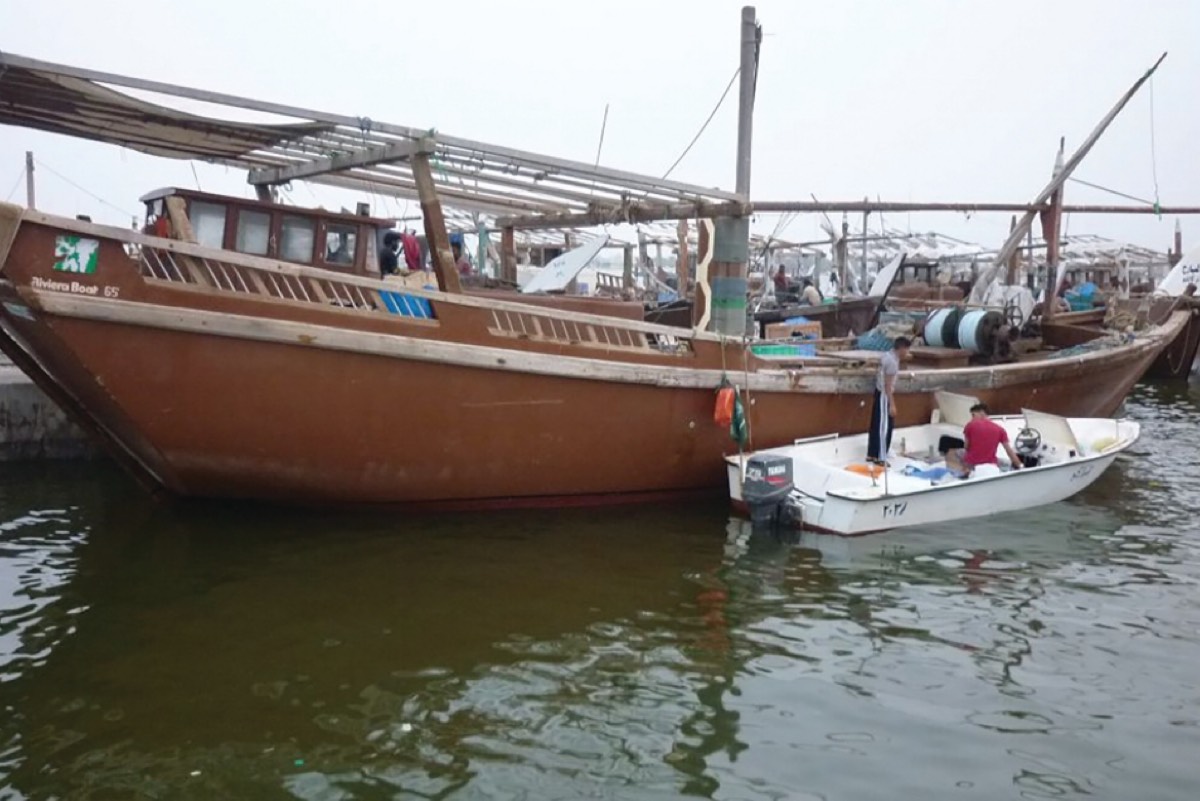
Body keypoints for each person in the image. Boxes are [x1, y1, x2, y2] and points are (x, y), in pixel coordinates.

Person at [945, 403, 1022, 477]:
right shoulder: (1000, 430)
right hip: (991, 464)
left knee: (951, 452)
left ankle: (964, 471)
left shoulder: (970, 425)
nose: (972, 418)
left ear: (982, 413)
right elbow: (1009, 451)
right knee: (1006, 462)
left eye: (973, 415)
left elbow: (966, 447)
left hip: (971, 464)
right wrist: (1020, 465)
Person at [867, 336, 911, 464]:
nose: (907, 352)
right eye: (907, 349)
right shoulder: (892, 363)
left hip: (879, 392)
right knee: (885, 427)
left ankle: (872, 453)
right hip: (884, 395)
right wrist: (892, 404)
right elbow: (888, 385)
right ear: (901, 348)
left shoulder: (887, 356)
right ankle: (881, 457)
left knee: (876, 424)